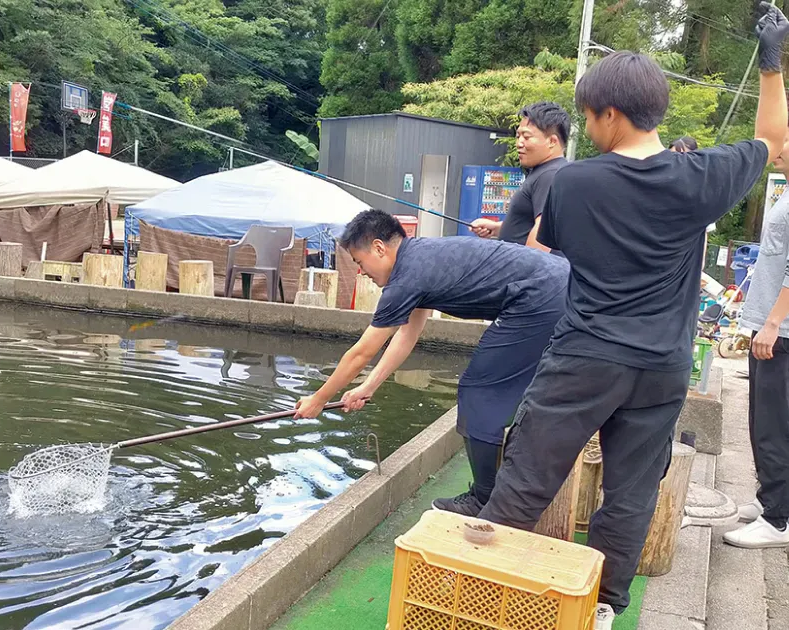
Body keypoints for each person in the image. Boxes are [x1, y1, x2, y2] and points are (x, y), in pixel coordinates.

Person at [476, 4, 789, 628]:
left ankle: (488, 590)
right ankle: (603, 611)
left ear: (610, 114)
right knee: (631, 494)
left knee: (528, 475)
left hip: (584, 359)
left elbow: (548, 247)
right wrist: (772, 62)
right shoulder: (703, 176)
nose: (589, 127)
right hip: (662, 367)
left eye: (590, 116)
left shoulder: (572, 184)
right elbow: (775, 140)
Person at [294, 209, 569, 517]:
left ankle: (486, 500)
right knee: (505, 391)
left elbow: (361, 353)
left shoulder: (406, 277)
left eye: (359, 262)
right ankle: (507, 486)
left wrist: (319, 399)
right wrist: (367, 387)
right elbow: (407, 333)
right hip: (556, 283)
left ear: (379, 248)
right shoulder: (420, 258)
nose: (361, 272)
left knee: (479, 391)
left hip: (541, 297)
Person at [723, 126, 789, 549]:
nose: (777, 149)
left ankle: (778, 519)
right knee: (770, 419)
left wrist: (771, 324)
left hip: (780, 330)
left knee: (772, 423)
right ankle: (773, 500)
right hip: (773, 324)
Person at [470, 101, 570, 252]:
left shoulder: (550, 174)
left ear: (552, 141)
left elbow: (543, 232)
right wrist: (497, 228)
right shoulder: (545, 171)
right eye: (518, 136)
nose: (519, 143)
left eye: (526, 137)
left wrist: (525, 272)